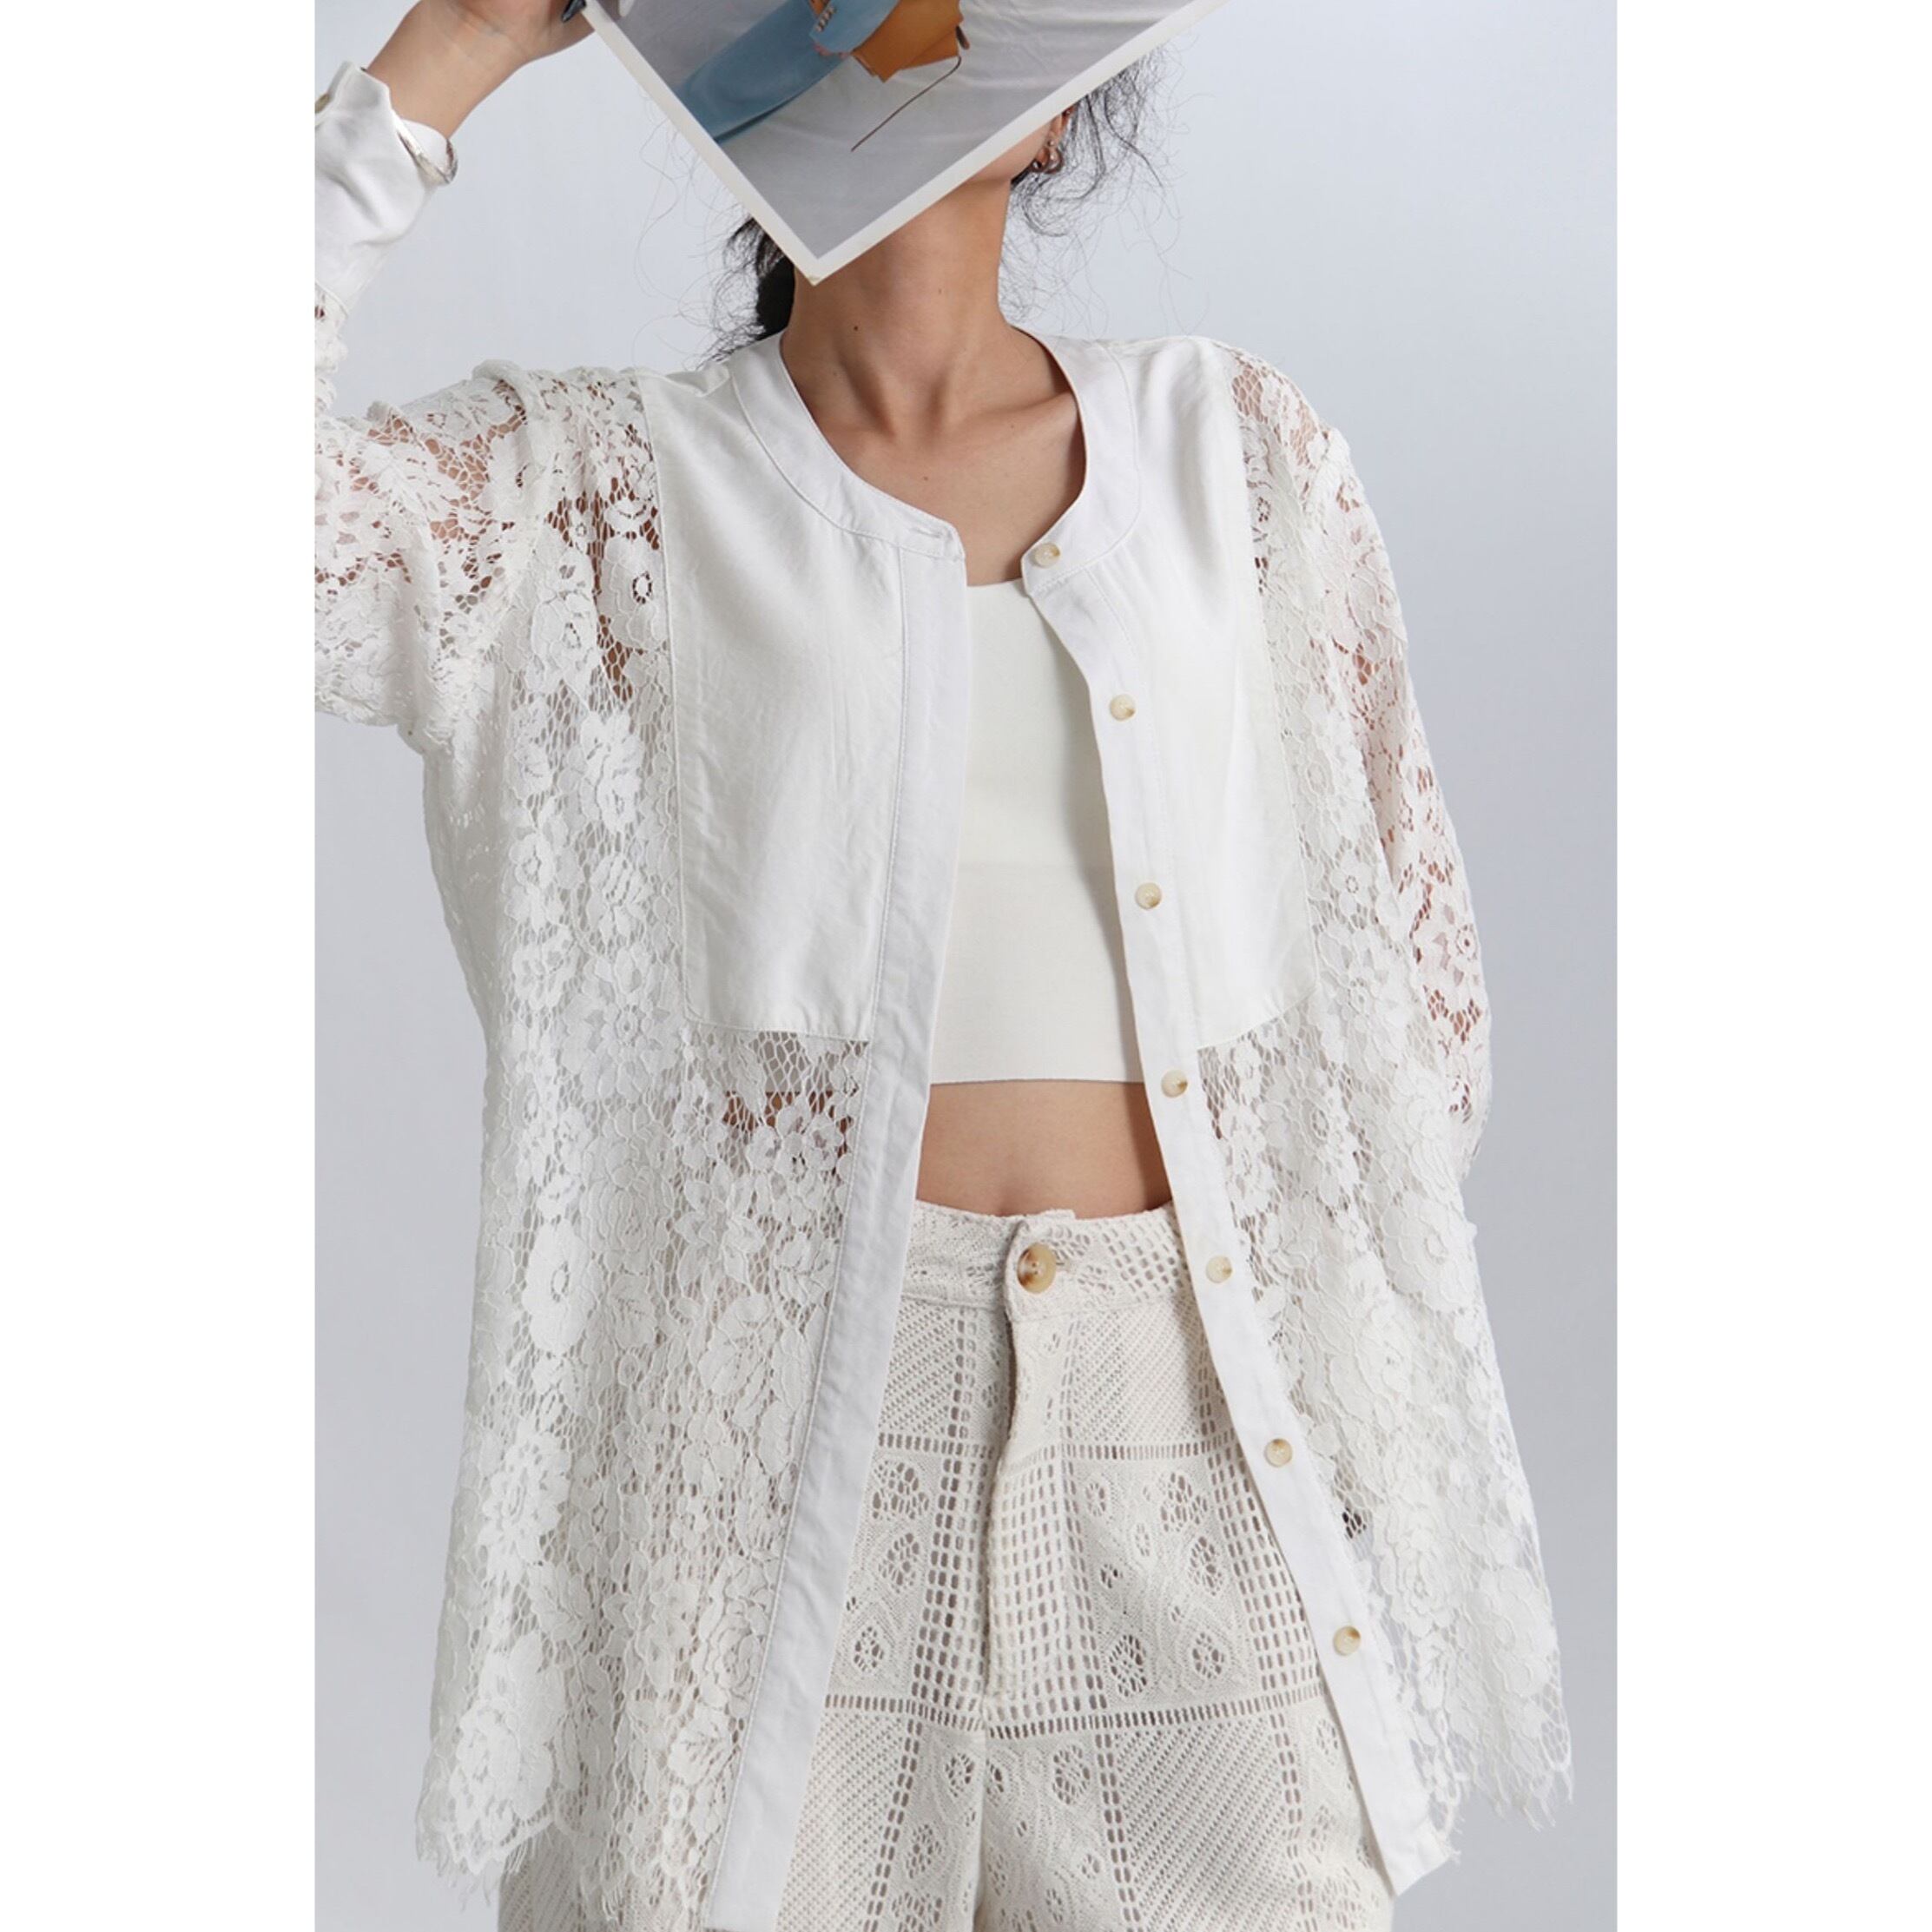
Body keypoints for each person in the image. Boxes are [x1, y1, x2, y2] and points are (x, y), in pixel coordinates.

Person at [314, 4, 1573, 1929]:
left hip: (1187, 1447)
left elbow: (1413, 1001)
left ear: (1060, 114)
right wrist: (458, 47)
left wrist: (1263, 1325)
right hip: (768, 1475)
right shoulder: (597, 498)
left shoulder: (1234, 452)